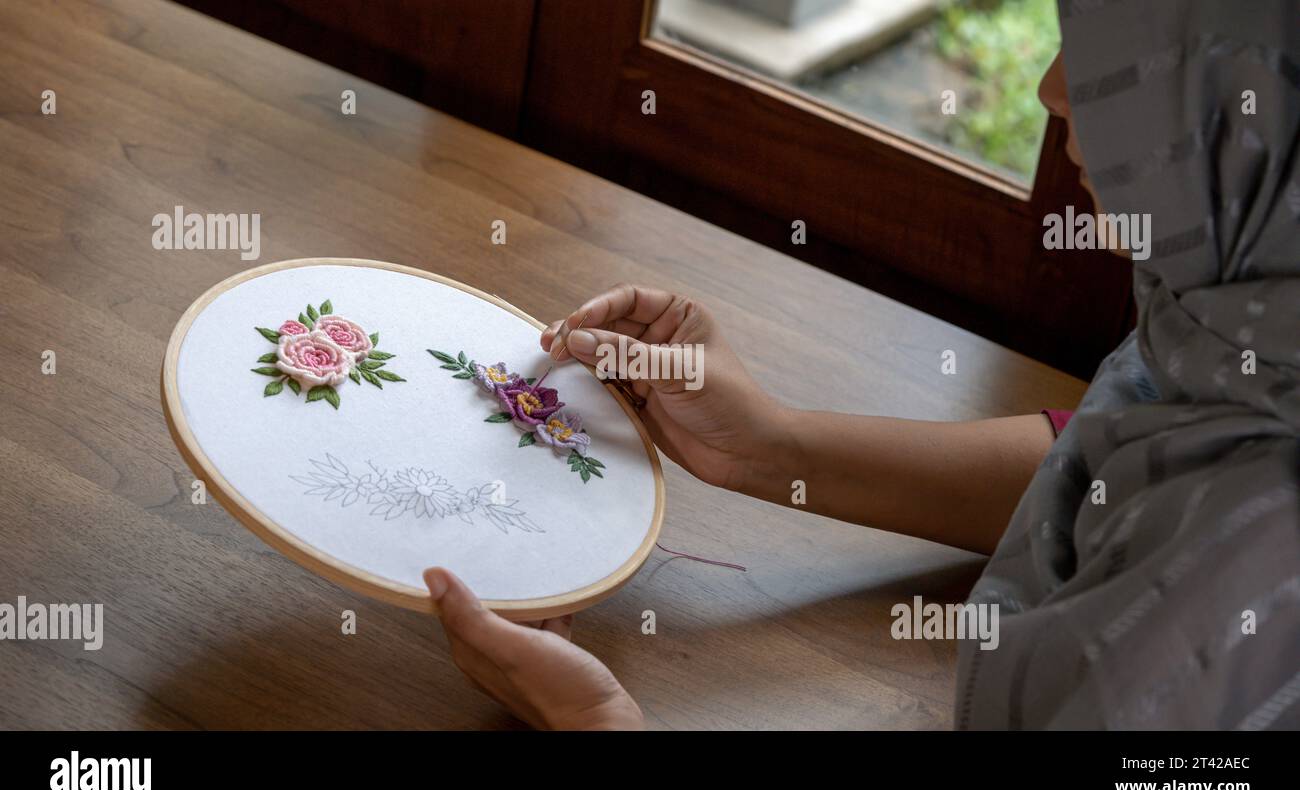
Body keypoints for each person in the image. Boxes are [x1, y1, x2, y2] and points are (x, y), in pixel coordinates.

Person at [423, 0, 1299, 730]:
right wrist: (770, 445)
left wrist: (601, 722)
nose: (1051, 88)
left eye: (1123, 56)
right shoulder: (1237, 337)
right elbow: (1106, 458)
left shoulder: (1244, 591)